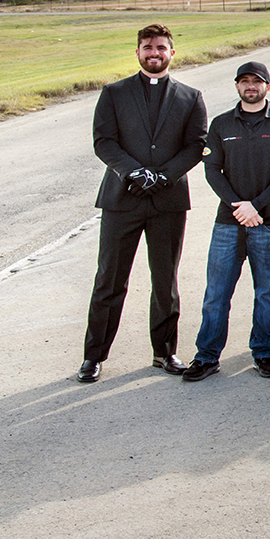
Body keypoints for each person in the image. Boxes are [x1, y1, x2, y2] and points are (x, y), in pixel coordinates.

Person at [79, 23, 209, 383]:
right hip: (122, 199)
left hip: (168, 202)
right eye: (148, 47)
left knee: (165, 281)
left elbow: (196, 145)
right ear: (137, 52)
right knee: (109, 279)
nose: (154, 53)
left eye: (161, 48)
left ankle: (165, 352)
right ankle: (93, 356)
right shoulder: (114, 93)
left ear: (172, 52)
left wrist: (163, 176)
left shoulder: (190, 97)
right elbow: (104, 141)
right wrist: (133, 172)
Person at [185, 62, 270, 382]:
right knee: (217, 293)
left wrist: (257, 205)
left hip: (269, 222)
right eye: (245, 81)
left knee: (267, 291)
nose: (251, 86)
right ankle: (207, 356)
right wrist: (240, 207)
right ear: (237, 86)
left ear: (267, 86)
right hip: (228, 223)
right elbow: (212, 171)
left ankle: (264, 351)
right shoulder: (222, 124)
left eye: (257, 81)